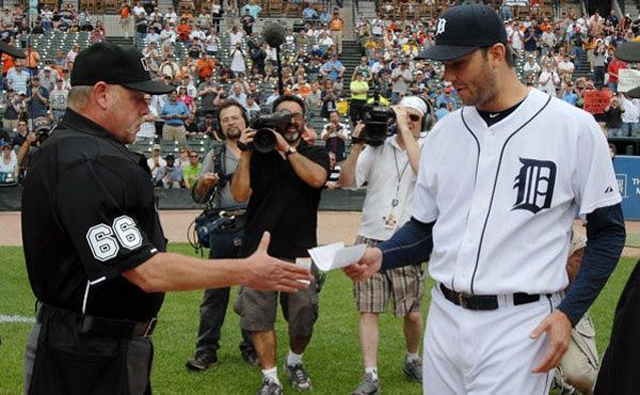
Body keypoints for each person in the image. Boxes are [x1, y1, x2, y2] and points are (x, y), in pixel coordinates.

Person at [343, 5, 625, 394]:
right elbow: (425, 229)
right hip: (444, 318)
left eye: (457, 63)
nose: (447, 77)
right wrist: (383, 255)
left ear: (496, 54)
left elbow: (609, 234)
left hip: (519, 325)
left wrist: (569, 313)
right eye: (443, 64)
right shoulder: (444, 134)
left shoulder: (571, 128)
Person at [21, 42, 312, 394]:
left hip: (94, 345)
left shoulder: (76, 147)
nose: (148, 109)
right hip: (84, 354)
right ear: (101, 94)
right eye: (138, 98)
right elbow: (145, 271)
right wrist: (248, 270)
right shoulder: (86, 160)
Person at [231, 95, 330, 395]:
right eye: (282, 115)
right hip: (258, 251)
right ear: (271, 120)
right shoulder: (258, 154)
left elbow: (316, 179)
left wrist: (286, 149)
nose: (289, 120)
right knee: (258, 316)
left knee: (303, 318)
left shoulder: (315, 152)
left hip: (300, 251)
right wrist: (246, 153)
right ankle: (270, 376)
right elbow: (238, 194)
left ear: (304, 121)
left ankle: (294, 361)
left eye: (295, 115)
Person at [339, 96, 431, 394]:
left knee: (412, 312)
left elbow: (425, 175)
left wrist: (405, 130)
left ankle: (412, 357)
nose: (407, 122)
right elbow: (347, 182)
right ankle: (371, 375)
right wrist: (356, 145)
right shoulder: (377, 146)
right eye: (403, 116)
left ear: (423, 122)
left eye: (414, 118)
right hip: (370, 235)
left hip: (406, 240)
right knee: (368, 309)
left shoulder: (429, 146)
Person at [185, 99, 259, 372]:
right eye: (225, 118)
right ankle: (206, 350)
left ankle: (252, 346)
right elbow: (197, 197)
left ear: (245, 120)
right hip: (222, 228)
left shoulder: (260, 149)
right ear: (219, 124)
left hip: (252, 227)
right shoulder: (214, 155)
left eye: (235, 117)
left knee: (252, 294)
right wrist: (202, 183)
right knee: (214, 296)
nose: (231, 122)